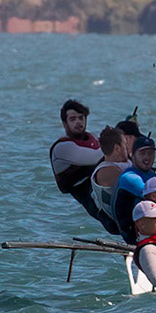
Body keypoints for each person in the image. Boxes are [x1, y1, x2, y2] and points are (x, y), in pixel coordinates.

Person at [48, 99, 111, 231]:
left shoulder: (92, 138)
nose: (78, 122)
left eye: (81, 118)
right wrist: (121, 138)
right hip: (98, 207)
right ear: (65, 124)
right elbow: (96, 157)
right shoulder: (62, 148)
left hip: (107, 193)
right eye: (73, 119)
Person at [88, 126, 133, 237]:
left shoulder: (123, 162)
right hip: (126, 223)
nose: (127, 147)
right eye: (124, 144)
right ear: (117, 148)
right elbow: (134, 183)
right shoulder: (106, 171)